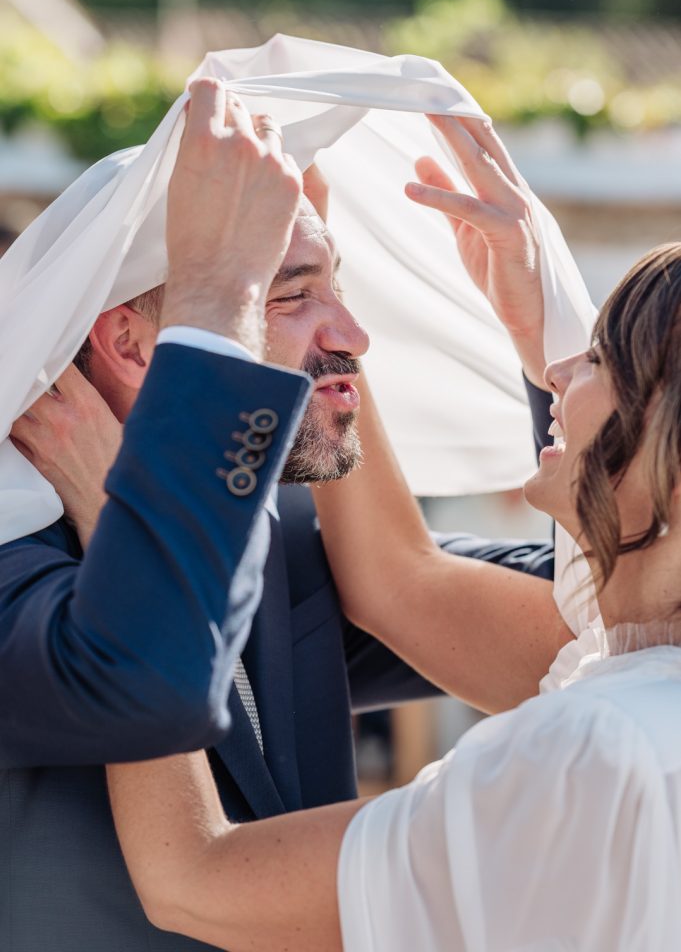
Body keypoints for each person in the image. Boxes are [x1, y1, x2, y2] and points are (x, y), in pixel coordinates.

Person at [3, 99, 563, 948]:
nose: (355, 336)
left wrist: (549, 344)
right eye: (293, 295)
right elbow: (143, 678)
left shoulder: (281, 539)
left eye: (336, 285)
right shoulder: (15, 561)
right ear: (130, 343)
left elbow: (586, 615)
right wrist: (219, 289)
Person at [104, 193, 681, 949]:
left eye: (597, 357)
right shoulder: (631, 683)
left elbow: (192, 877)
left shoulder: (590, 747)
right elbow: (399, 581)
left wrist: (133, 516)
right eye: (296, 295)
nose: (554, 370)